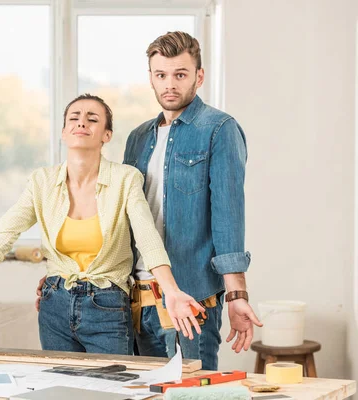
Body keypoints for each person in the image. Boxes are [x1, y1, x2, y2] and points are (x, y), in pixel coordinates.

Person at [0, 93, 204, 355]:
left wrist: (171, 290)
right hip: (54, 304)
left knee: (112, 391)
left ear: (107, 135)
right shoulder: (41, 182)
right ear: (63, 132)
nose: (82, 121)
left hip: (107, 306)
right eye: (74, 117)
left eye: (92, 118)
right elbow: (2, 235)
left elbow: (147, 237)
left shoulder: (126, 179)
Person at [123, 31, 262, 370]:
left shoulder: (219, 129)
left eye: (180, 74)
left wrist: (237, 295)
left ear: (199, 77)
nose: (170, 84)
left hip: (193, 298)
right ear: (151, 78)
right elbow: (121, 216)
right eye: (161, 75)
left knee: (192, 393)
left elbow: (228, 215)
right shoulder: (138, 138)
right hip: (135, 297)